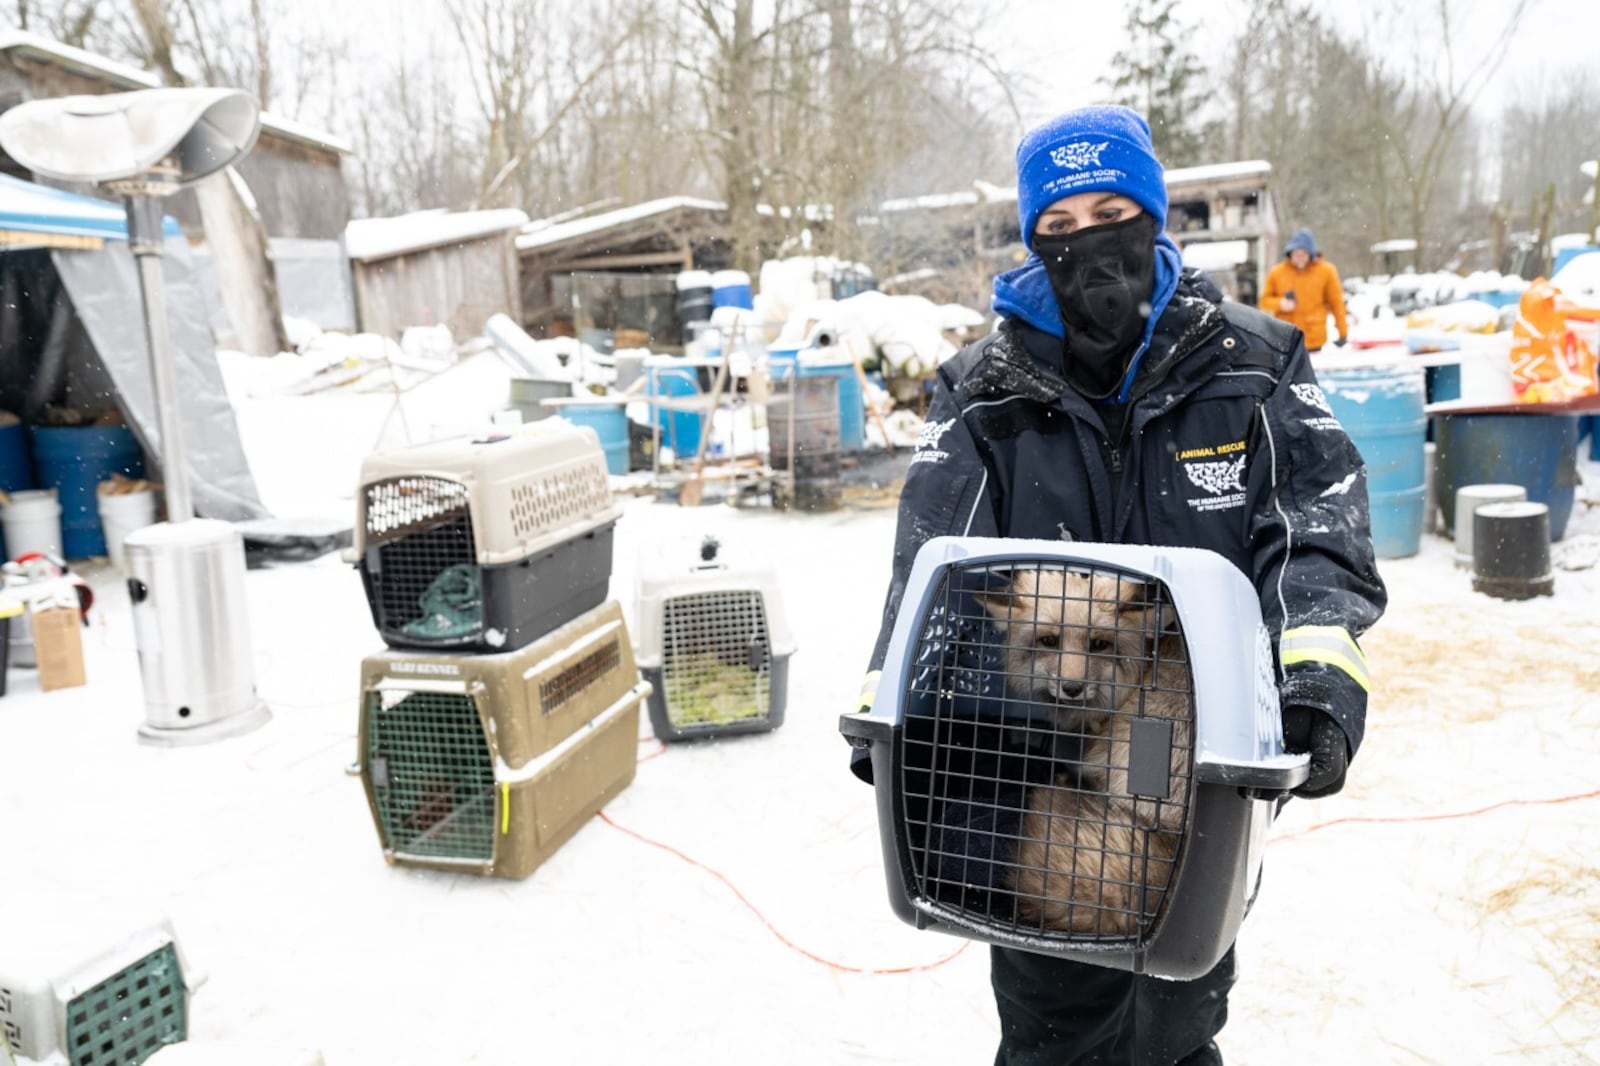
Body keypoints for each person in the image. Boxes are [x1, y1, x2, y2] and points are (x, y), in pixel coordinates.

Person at [848, 105, 1387, 1064]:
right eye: (1057, 229)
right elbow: (929, 560)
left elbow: (1318, 525)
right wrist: (895, 714)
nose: (1087, 245)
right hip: (1028, 739)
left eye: (1109, 214)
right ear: (1031, 241)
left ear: (1152, 216)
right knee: (1055, 1006)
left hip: (1179, 726)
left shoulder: (1251, 365)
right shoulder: (985, 390)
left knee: (1172, 992)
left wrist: (1316, 675)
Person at [1259, 228, 1349, 352]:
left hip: (1314, 338)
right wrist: (1280, 303)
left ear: (1311, 254)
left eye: (1304, 254)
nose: (1300, 258)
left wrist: (1343, 332)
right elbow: (1264, 301)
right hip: (1285, 338)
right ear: (1290, 253)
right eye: (1296, 254)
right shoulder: (1277, 273)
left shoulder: (1327, 271)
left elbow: (1337, 303)